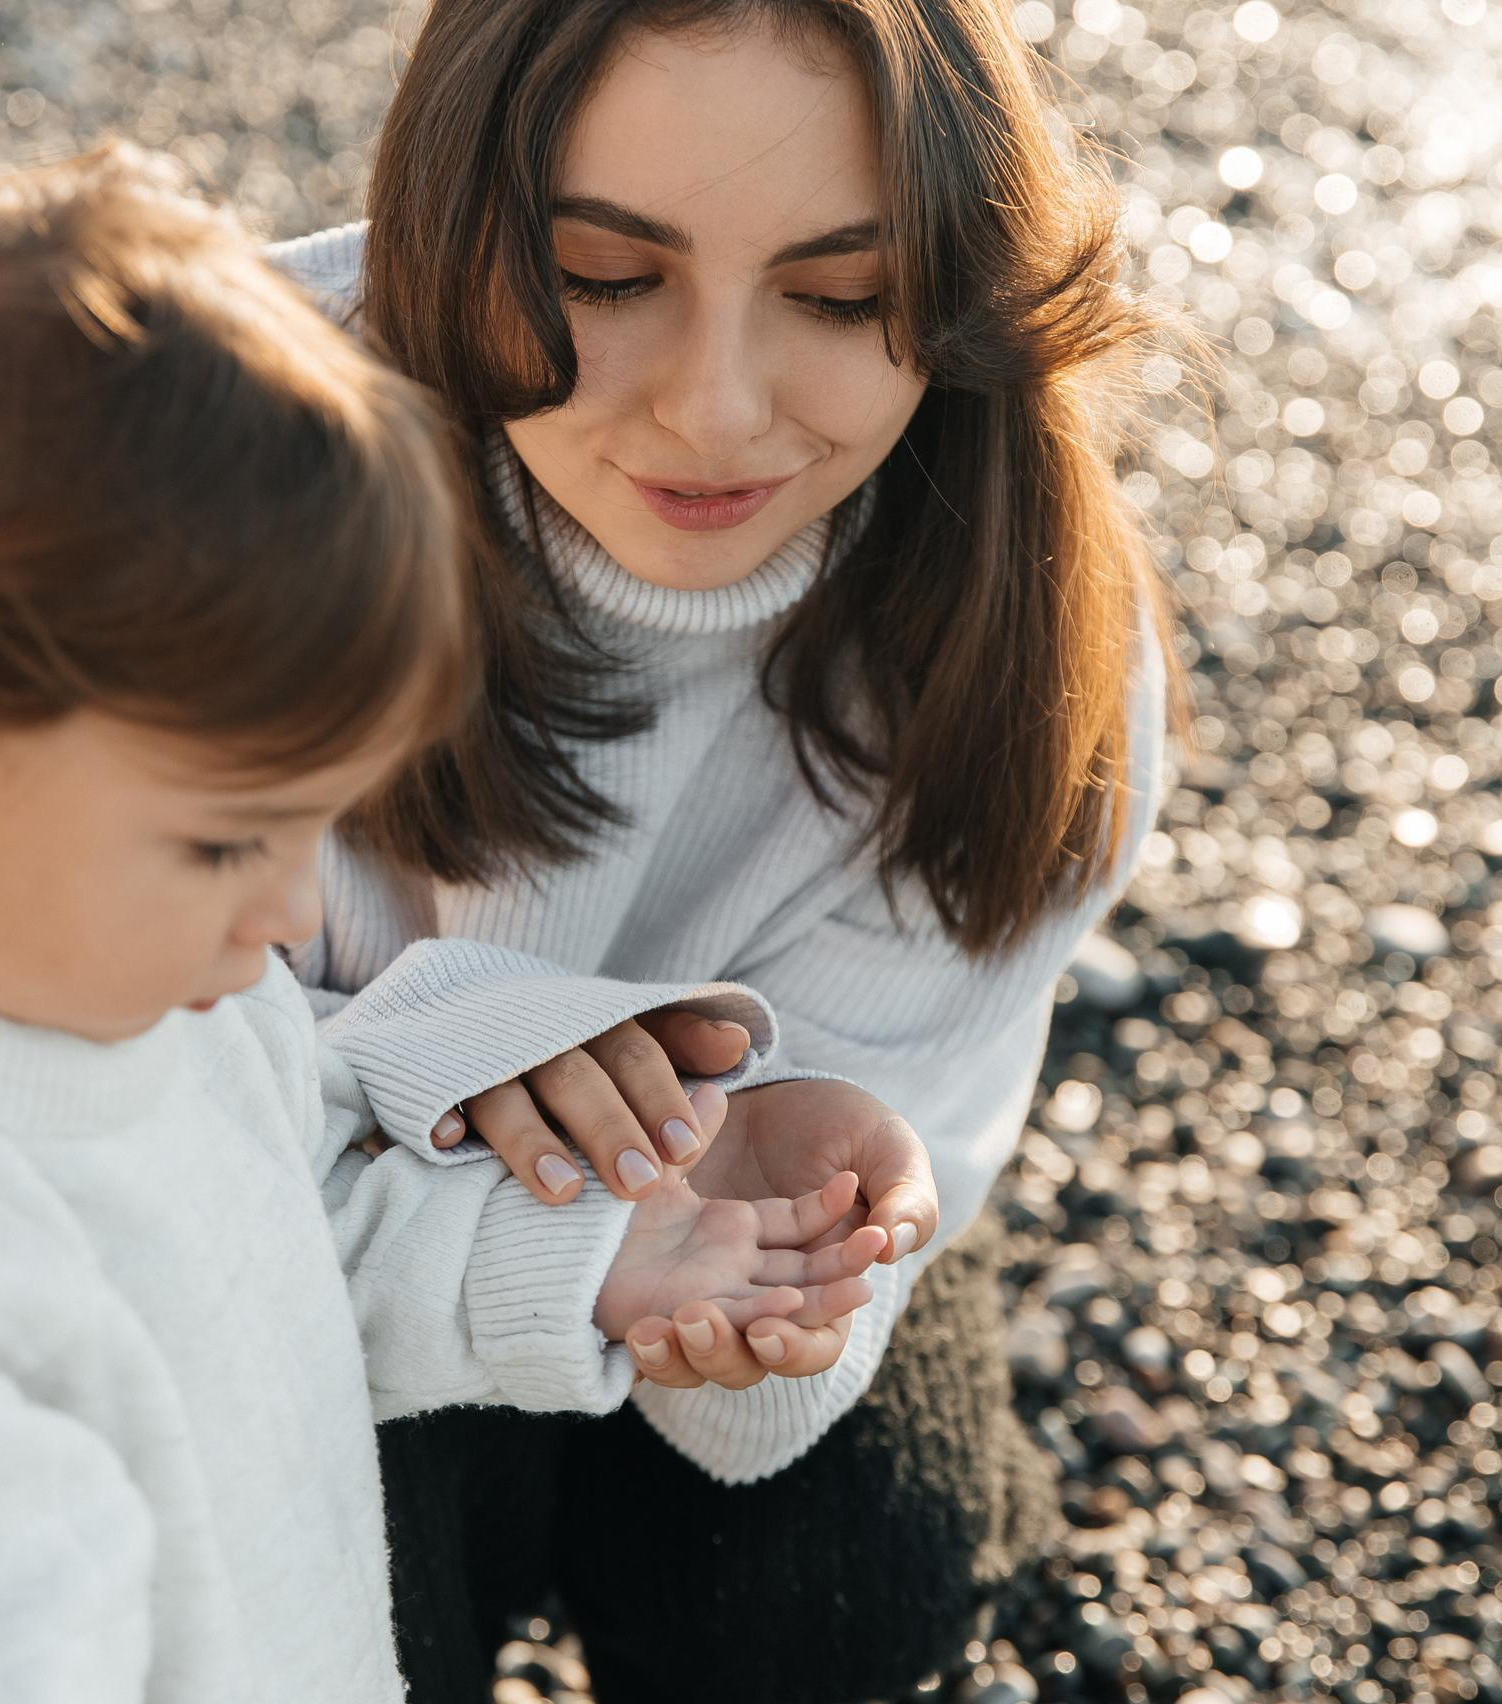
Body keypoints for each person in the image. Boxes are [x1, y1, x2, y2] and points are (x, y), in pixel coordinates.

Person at [0, 146, 885, 1702]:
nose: (290, 910)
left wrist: (584, 1259)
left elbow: (279, 1218)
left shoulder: (94, 982)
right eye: (225, 837)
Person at [260, 3, 1177, 1697]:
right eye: (607, 276)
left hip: (650, 1266)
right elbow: (71, 1161)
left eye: (842, 298)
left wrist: (781, 1275)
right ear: (450, 221)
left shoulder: (1025, 622)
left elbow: (791, 1325)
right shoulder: (189, 485)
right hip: (285, 1258)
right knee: (302, 1591)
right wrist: (452, 1052)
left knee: (845, 1586)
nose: (719, 410)